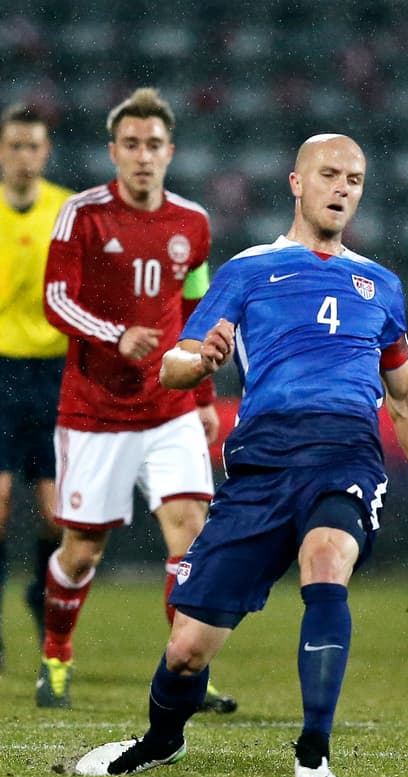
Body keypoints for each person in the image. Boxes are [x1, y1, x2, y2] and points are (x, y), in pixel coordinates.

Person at [73, 132, 408, 777]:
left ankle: (313, 752)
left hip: (346, 449)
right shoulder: (247, 271)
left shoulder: (380, 286)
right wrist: (201, 359)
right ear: (296, 183)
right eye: (329, 174)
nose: (342, 189)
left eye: (354, 180)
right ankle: (163, 741)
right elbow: (173, 364)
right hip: (263, 457)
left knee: (326, 561)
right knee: (188, 649)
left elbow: (407, 398)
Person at [37, 87, 237, 713]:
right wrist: (113, 335)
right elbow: (56, 299)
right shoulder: (82, 215)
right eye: (131, 145)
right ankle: (56, 659)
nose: (143, 156)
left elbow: (194, 312)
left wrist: (203, 393)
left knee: (190, 535)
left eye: (154, 145)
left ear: (170, 151)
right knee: (82, 550)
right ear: (113, 151)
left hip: (168, 407)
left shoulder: (193, 224)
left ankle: (183, 676)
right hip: (95, 410)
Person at [0, 103, 73, 674]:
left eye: (33, 147)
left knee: (55, 515)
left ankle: (37, 590)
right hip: (0, 370)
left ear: (45, 153)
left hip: (52, 375)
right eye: (14, 146)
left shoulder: (66, 212)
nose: (23, 157)